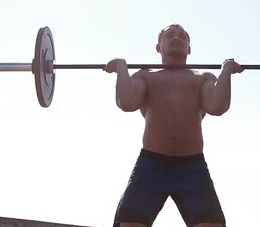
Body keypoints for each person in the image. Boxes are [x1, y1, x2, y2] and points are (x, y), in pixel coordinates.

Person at [104, 24, 243, 227]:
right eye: (170, 35)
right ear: (159, 46)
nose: (176, 38)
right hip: (151, 165)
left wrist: (226, 71)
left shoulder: (203, 79)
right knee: (129, 224)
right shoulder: (146, 76)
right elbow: (127, 102)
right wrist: (121, 68)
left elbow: (217, 106)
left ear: (189, 48)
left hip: (192, 168)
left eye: (182, 37)